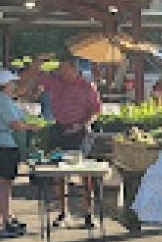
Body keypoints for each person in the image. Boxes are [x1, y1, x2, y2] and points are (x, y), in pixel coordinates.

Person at [21, 53, 102, 229]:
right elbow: (34, 75)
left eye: (65, 71)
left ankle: (88, 212)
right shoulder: (55, 80)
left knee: (84, 172)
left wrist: (82, 125)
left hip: (80, 130)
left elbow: (95, 111)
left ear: (75, 70)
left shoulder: (88, 86)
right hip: (59, 128)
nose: (62, 74)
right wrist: (39, 60)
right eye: (61, 70)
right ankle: (63, 212)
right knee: (59, 170)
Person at [0, 70, 43, 237]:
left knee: (7, 182)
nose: (15, 85)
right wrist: (32, 127)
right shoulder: (2, 100)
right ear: (6, 84)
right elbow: (15, 124)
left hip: (5, 143)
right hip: (4, 144)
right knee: (5, 183)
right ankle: (5, 220)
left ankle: (8, 217)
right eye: (13, 83)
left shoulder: (2, 99)